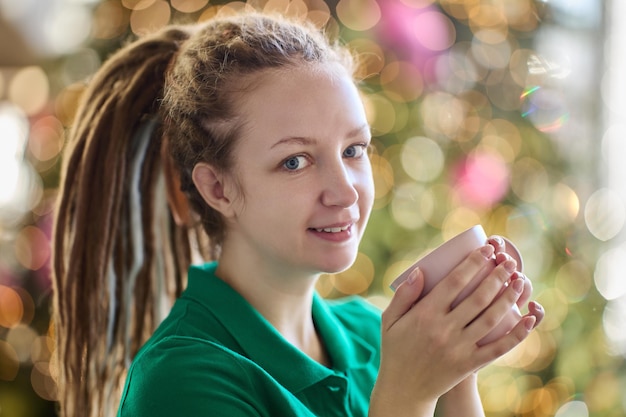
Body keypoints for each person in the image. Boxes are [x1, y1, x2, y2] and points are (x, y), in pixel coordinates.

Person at [51, 10, 544, 417]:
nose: (345, 193)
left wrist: (457, 370)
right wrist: (409, 396)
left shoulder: (376, 336)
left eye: (354, 150)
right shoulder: (181, 380)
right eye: (295, 161)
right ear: (217, 188)